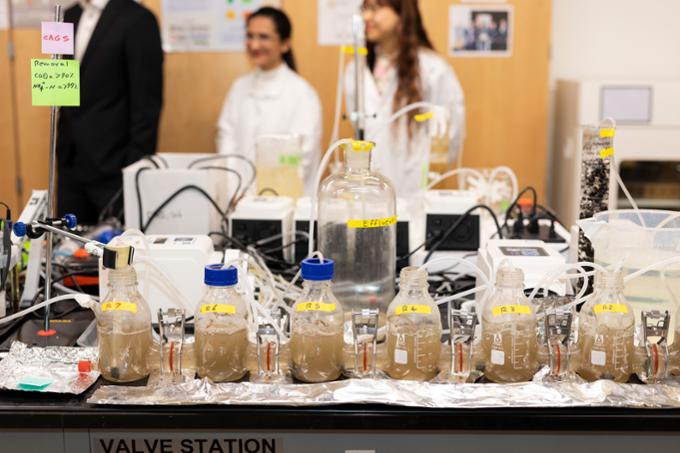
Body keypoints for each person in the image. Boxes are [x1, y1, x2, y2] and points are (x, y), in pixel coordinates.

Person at [345, 0, 465, 198]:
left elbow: (448, 135)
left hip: (414, 190)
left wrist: (422, 170)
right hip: (369, 193)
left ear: (402, 13)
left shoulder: (432, 68)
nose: (366, 17)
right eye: (364, 8)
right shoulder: (356, 70)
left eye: (375, 8)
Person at [58, 0, 163, 225]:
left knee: (120, 252)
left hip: (115, 167)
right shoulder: (66, 16)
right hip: (70, 163)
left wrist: (134, 166)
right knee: (66, 249)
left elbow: (147, 101)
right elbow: (60, 89)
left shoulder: (137, 19)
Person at [216, 7, 322, 196]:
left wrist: (266, 199)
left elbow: (300, 158)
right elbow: (227, 146)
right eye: (250, 36)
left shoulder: (302, 94)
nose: (254, 45)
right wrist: (234, 192)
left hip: (287, 203)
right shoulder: (238, 88)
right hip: (239, 200)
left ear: (285, 44)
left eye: (263, 37)